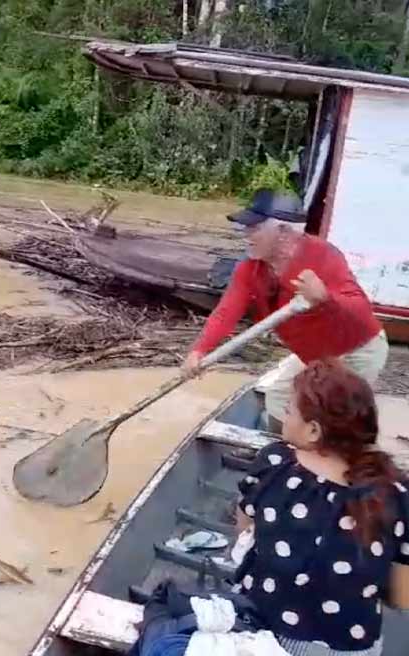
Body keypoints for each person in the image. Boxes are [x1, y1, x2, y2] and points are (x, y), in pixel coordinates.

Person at [235, 360, 409, 655]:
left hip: (261, 630)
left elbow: (243, 535)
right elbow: (402, 598)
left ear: (314, 431)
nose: (285, 416)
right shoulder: (397, 494)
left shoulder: (275, 463)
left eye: (289, 411)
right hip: (348, 645)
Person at [182, 189, 387, 432]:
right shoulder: (250, 269)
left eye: (254, 228)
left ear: (283, 232)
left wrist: (325, 299)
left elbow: (360, 310)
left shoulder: (322, 256)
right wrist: (199, 350)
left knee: (333, 418)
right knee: (278, 400)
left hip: (356, 350)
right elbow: (225, 313)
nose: (246, 235)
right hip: (315, 355)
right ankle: (281, 455)